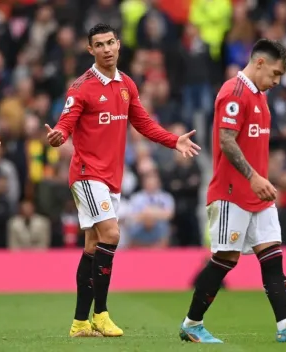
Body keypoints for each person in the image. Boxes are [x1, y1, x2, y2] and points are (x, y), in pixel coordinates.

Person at [45, 23, 200, 338]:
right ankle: (100, 314)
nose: (106, 49)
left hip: (111, 177)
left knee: (92, 245)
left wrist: (174, 141)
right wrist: (59, 135)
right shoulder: (81, 87)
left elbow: (143, 123)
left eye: (110, 42)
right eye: (99, 45)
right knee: (112, 234)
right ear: (90, 50)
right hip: (88, 174)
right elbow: (66, 122)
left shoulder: (126, 84)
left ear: (118, 44)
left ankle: (78, 323)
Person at [179, 39, 286, 343]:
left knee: (273, 255)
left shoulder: (259, 95)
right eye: (276, 74)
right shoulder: (234, 92)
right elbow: (226, 140)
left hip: (258, 194)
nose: (277, 81)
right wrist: (253, 177)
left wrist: (263, 177)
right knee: (225, 259)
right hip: (231, 192)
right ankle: (191, 324)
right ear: (260, 63)